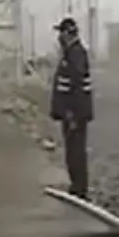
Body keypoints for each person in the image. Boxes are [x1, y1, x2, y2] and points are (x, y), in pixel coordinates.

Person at [49, 17, 94, 198]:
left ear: (68, 34)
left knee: (76, 152)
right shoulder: (70, 54)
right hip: (71, 114)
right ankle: (76, 186)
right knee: (72, 151)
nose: (59, 37)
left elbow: (77, 87)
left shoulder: (75, 55)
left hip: (74, 115)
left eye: (61, 32)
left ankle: (79, 189)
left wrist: (73, 115)